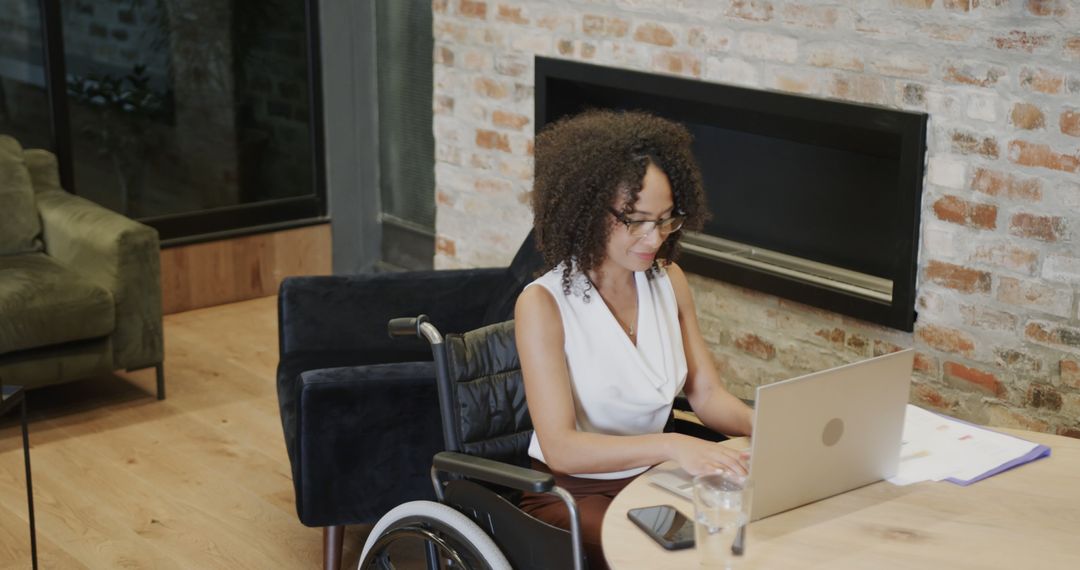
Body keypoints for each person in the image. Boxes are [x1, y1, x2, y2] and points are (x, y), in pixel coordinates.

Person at [515, 109, 754, 570]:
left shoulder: (670, 281)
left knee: (742, 534)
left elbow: (706, 394)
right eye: (636, 220)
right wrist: (670, 446)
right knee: (685, 553)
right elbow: (562, 447)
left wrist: (768, 426)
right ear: (586, 210)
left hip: (656, 482)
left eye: (666, 220)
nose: (654, 238)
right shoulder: (543, 305)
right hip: (570, 495)